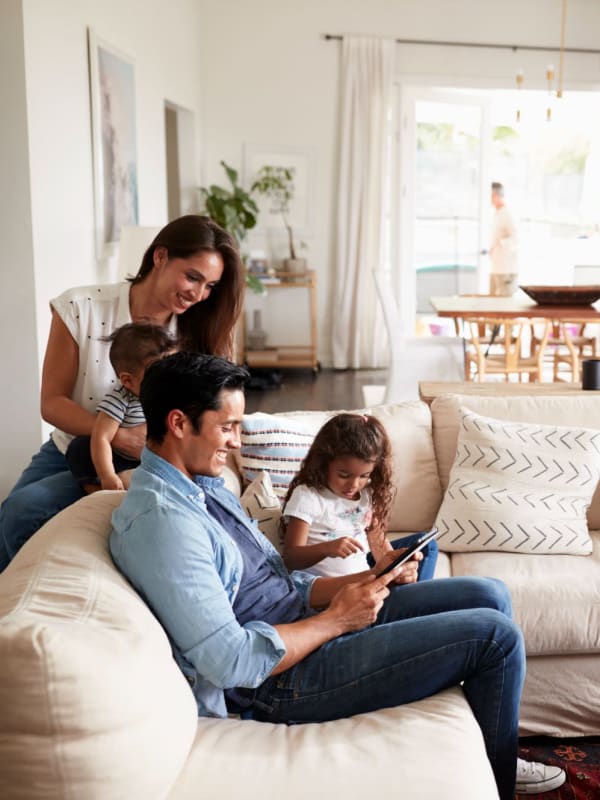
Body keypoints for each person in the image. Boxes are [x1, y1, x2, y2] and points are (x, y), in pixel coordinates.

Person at [109, 352, 565, 800]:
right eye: (226, 427)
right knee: (494, 637)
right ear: (178, 423)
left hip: (306, 624)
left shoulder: (201, 488)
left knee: (487, 593)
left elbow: (280, 583)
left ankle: (492, 746)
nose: (234, 442)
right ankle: (501, 775)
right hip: (276, 680)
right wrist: (337, 620)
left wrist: (356, 585)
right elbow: (231, 663)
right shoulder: (164, 523)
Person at [0, 215, 244, 571]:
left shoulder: (197, 331)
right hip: (76, 445)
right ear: (160, 257)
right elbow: (52, 403)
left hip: (155, 458)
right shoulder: (80, 307)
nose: (199, 294)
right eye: (192, 276)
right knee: (15, 513)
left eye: (210, 286)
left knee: (26, 511)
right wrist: (116, 436)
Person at [281, 413, 438, 579]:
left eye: (364, 476)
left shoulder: (365, 494)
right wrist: (327, 548)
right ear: (324, 463)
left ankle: (411, 593)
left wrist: (395, 570)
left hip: (366, 578)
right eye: (344, 475)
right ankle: (413, 598)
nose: (354, 485)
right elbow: (291, 558)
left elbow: (378, 543)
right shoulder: (308, 496)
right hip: (336, 589)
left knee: (426, 545)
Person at [65, 322, 178, 492]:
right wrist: (107, 474)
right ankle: (96, 489)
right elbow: (101, 437)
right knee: (81, 447)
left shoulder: (172, 395)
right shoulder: (121, 400)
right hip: (121, 460)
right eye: (158, 375)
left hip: (156, 459)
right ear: (127, 381)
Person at [488, 181, 519, 296]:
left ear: (497, 195)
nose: (491, 199)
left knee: (504, 306)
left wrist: (500, 245)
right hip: (496, 267)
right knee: (492, 305)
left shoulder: (508, 214)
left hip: (506, 269)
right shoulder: (497, 214)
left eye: (492, 196)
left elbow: (516, 239)